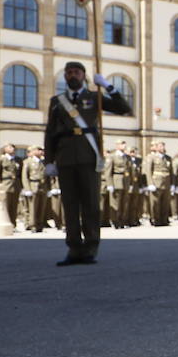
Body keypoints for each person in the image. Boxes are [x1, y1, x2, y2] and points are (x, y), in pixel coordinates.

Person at [44, 61, 133, 265]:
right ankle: (74, 249)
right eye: (69, 73)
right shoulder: (57, 101)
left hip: (88, 157)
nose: (72, 75)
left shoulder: (95, 97)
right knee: (70, 205)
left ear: (84, 76)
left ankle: (91, 247)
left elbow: (123, 108)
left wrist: (109, 86)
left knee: (91, 204)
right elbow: (50, 133)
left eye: (76, 72)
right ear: (65, 77)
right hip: (65, 158)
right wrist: (49, 161)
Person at [20, 145, 49, 232]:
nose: (41, 151)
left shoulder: (43, 162)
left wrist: (49, 188)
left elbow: (47, 176)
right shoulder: (28, 162)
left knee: (41, 206)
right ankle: (33, 225)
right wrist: (27, 189)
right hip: (33, 185)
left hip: (43, 186)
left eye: (42, 150)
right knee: (32, 207)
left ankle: (40, 224)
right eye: (39, 149)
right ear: (33, 151)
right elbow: (24, 176)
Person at [144, 142, 174, 226]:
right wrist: (150, 183)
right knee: (155, 203)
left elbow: (171, 172)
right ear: (156, 148)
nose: (162, 148)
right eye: (160, 146)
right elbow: (148, 171)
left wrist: (172, 184)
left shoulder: (168, 158)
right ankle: (155, 219)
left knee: (165, 202)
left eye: (163, 146)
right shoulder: (151, 157)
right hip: (156, 182)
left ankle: (164, 219)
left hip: (166, 183)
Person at [0, 143, 22, 225]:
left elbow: (20, 174)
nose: (12, 149)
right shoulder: (1, 159)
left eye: (13, 147)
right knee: (5, 205)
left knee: (14, 205)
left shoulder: (18, 160)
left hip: (16, 185)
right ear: (5, 149)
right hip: (5, 184)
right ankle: (5, 222)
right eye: (9, 147)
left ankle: (13, 223)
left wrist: (22, 186)